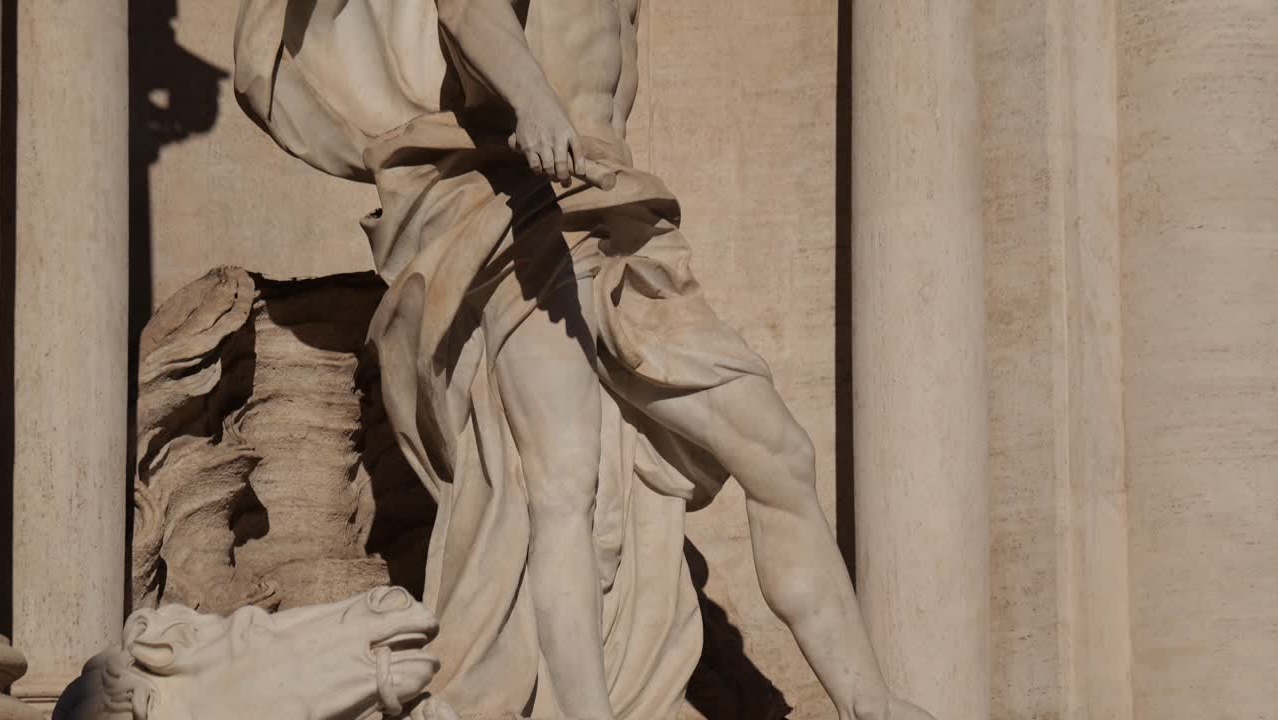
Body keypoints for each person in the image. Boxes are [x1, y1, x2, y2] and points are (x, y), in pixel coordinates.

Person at [234, 1, 936, 718]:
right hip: (516, 208)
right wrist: (535, 102)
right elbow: (471, 12)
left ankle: (867, 702)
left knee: (779, 453)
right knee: (562, 482)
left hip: (614, 210)